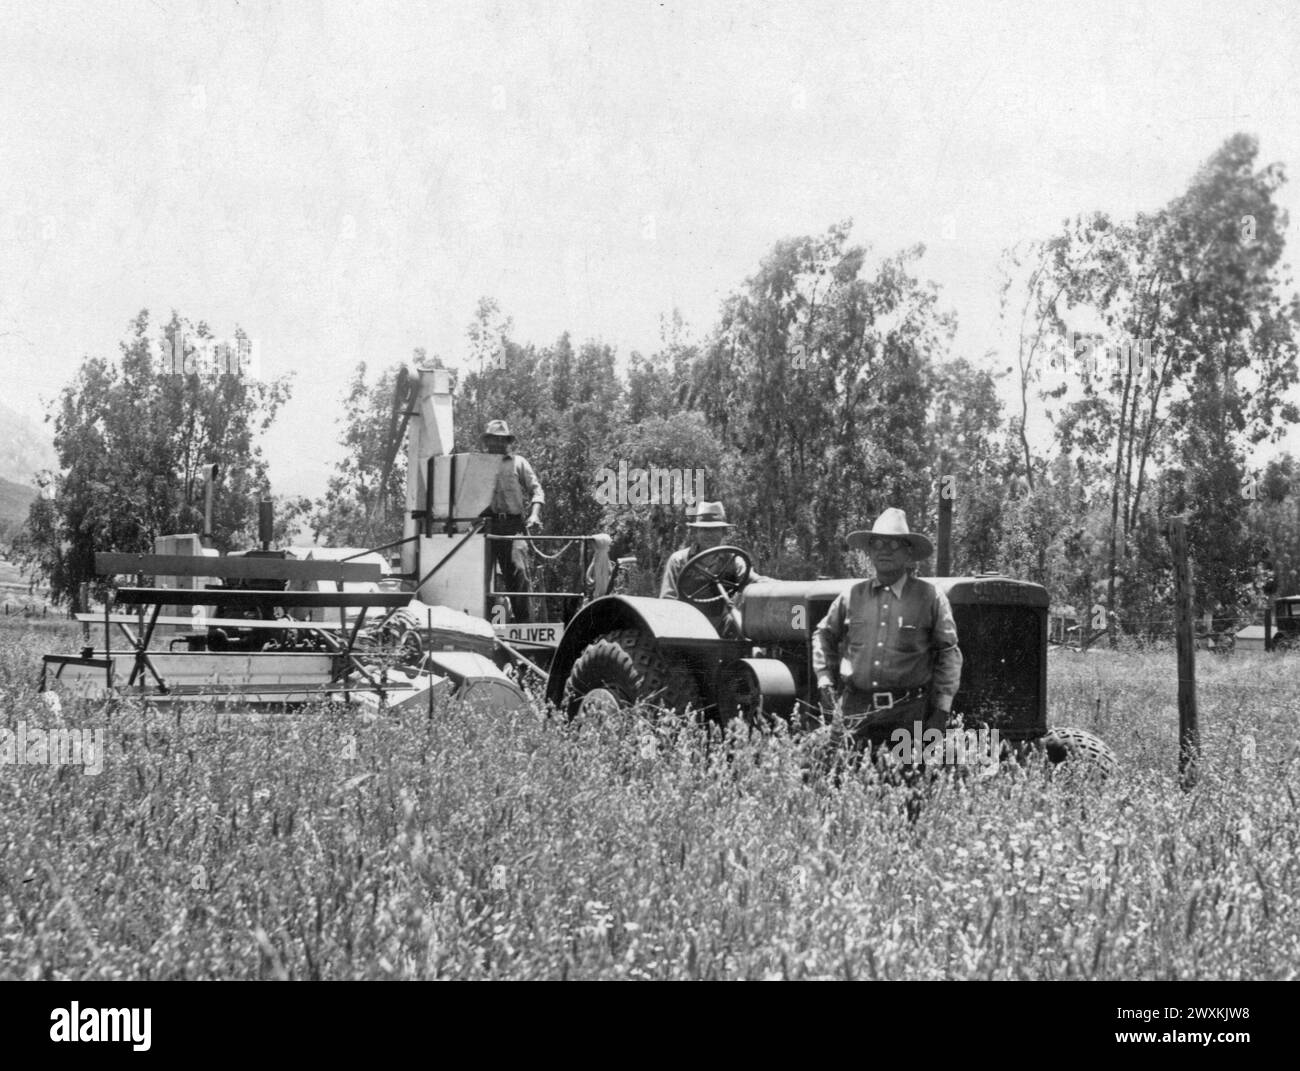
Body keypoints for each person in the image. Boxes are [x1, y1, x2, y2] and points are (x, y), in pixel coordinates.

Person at [812, 508, 962, 757]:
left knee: (907, 784)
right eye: (877, 543)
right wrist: (824, 679)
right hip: (855, 709)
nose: (884, 550)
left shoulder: (930, 598)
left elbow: (948, 653)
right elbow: (823, 635)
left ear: (909, 552)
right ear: (869, 551)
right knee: (842, 778)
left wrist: (941, 712)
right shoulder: (851, 596)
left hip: (908, 712)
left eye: (893, 544)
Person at [480, 419, 544, 623]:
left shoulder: (518, 463)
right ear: (487, 441)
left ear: (507, 442)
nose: (497, 444)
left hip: (513, 526)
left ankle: (526, 629)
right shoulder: (478, 465)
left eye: (502, 440)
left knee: (519, 573)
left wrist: (534, 515)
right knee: (481, 578)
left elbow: (536, 490)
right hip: (485, 527)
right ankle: (487, 626)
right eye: (493, 440)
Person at [660, 500, 771, 602]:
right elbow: (668, 599)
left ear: (723, 532)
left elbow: (754, 581)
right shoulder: (679, 561)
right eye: (704, 529)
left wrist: (782, 586)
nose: (709, 534)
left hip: (723, 619)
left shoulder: (733, 560)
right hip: (688, 619)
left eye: (715, 529)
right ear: (696, 533)